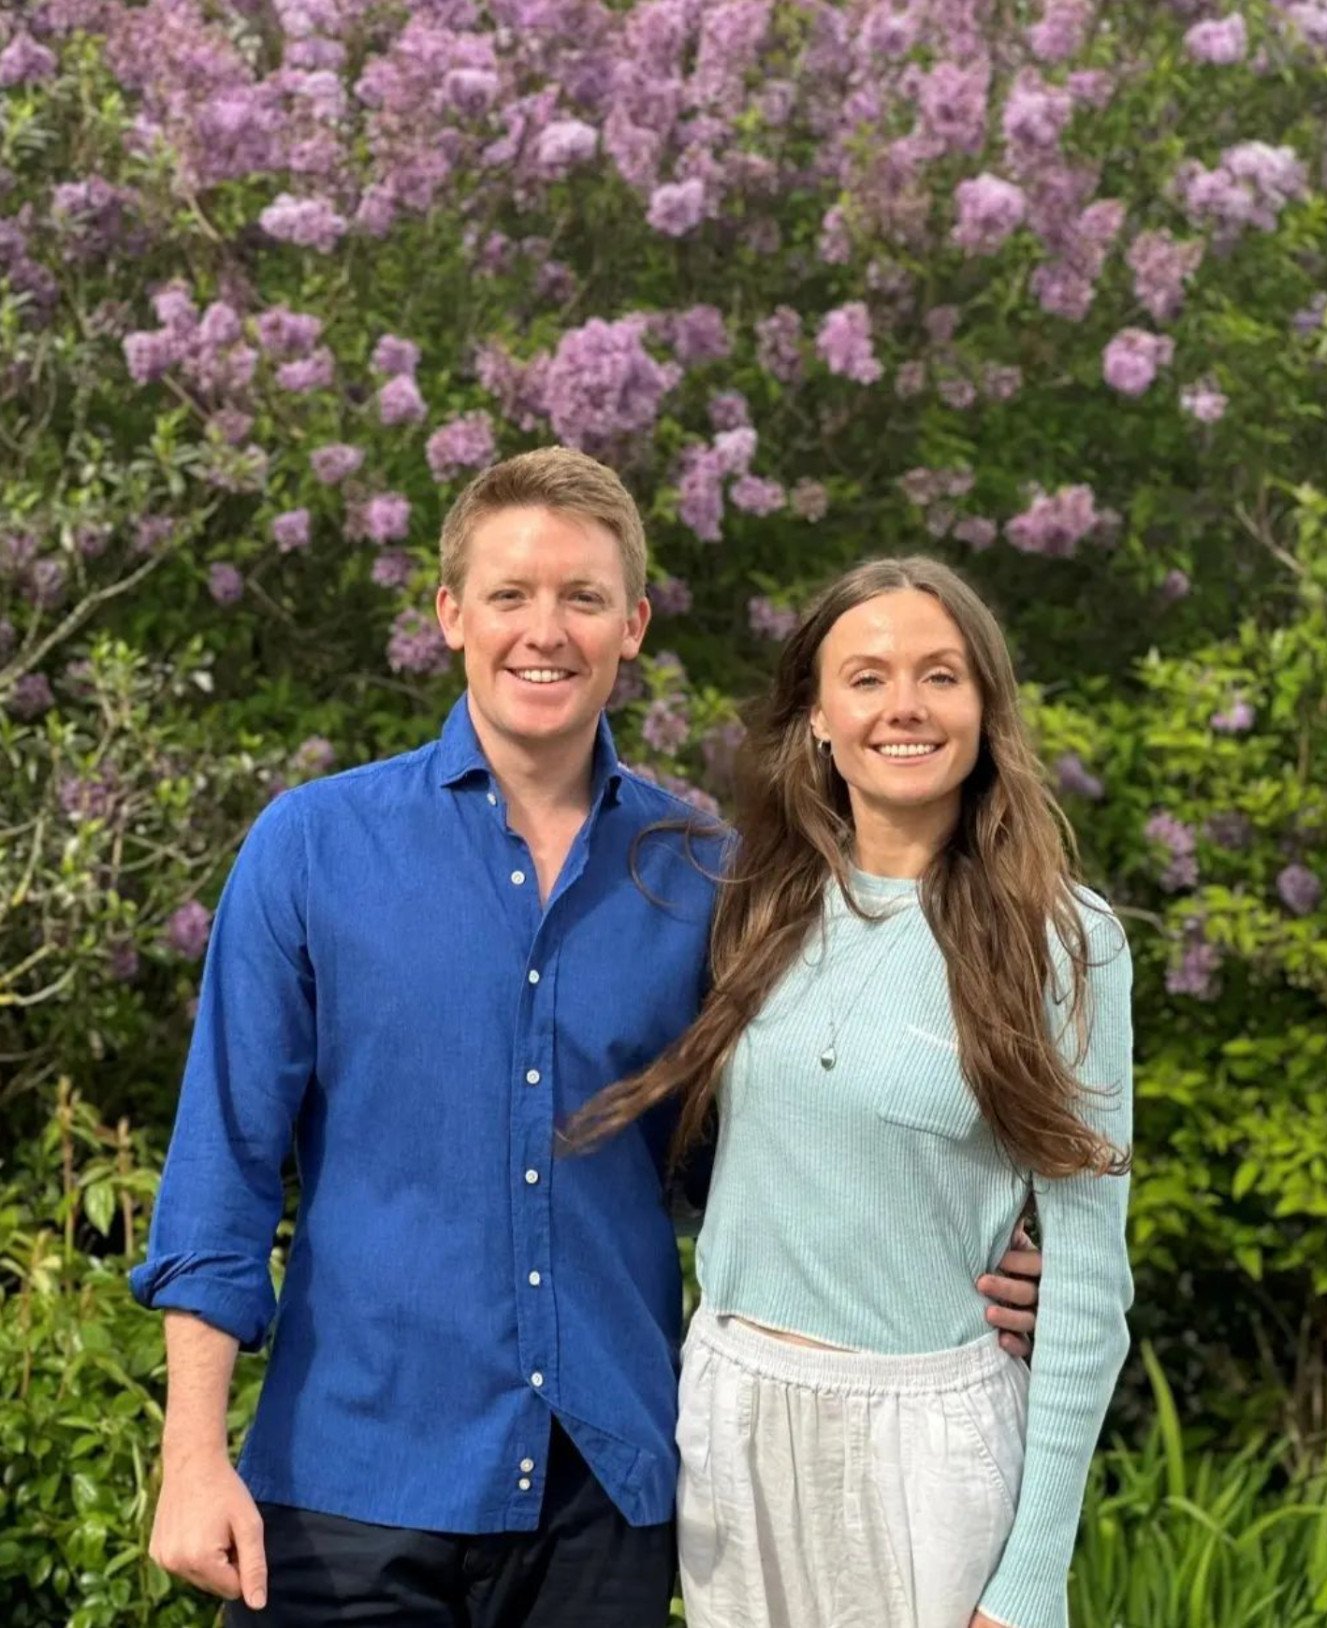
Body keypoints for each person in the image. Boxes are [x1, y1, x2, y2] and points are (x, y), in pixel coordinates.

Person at [129, 451, 1042, 1627]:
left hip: (604, 1500)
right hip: (349, 1487)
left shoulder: (707, 870)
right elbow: (223, 1171)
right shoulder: (311, 848)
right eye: (509, 594)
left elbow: (778, 1151)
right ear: (450, 612)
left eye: (582, 598)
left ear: (633, 626)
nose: (542, 630)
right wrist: (191, 1454)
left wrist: (989, 1252)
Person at [570, 556, 1133, 1628]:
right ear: (818, 718)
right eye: (865, 676)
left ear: (983, 708)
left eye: (940, 674)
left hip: (930, 1444)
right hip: (734, 1421)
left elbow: (1087, 1284)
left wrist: (1025, 1580)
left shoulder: (1063, 941)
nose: (903, 706)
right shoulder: (743, 906)